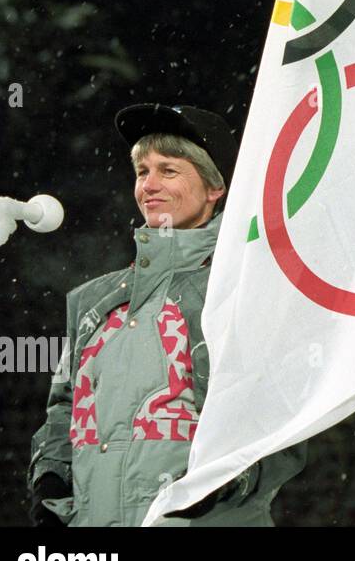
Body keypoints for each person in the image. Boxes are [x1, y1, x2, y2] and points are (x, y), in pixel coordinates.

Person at [28, 104, 306, 526]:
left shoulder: (244, 290)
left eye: (169, 171)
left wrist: (223, 484)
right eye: (142, 171)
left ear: (215, 189)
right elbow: (63, 408)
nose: (149, 185)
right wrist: (50, 482)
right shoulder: (92, 301)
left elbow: (283, 418)